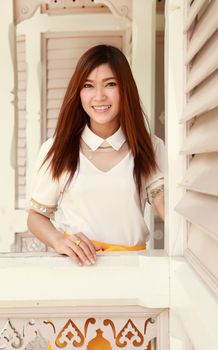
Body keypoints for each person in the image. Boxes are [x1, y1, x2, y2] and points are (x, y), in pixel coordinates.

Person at [27, 44, 165, 266]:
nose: (99, 96)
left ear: (125, 89)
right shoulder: (57, 149)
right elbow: (36, 216)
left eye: (110, 84)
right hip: (76, 273)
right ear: (78, 92)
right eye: (88, 85)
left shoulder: (150, 147)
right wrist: (59, 241)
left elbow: (168, 208)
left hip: (132, 272)